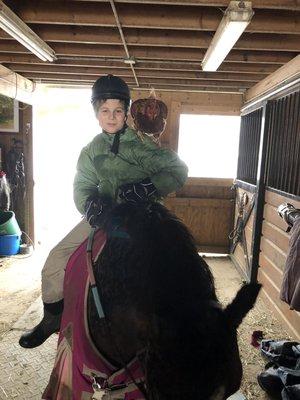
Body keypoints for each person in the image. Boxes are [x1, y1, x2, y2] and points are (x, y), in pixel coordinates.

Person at [19, 74, 188, 348]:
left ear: (126, 114)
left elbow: (178, 170)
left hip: (144, 215)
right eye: (105, 111)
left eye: (118, 111)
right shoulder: (91, 150)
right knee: (55, 259)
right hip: (104, 215)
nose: (111, 117)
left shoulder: (143, 146)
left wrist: (148, 186)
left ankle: (187, 319)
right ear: (96, 113)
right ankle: (52, 317)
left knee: (177, 259)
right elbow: (82, 184)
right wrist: (89, 204)